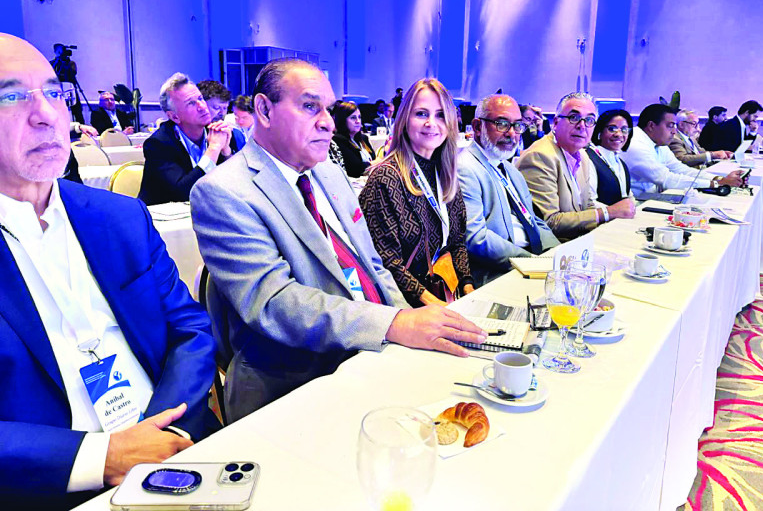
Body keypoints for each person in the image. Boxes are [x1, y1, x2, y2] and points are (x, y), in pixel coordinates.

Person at [190, 59, 486, 420]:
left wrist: (405, 324)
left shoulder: (329, 174)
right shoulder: (223, 192)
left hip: (376, 352)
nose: (328, 122)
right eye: (310, 106)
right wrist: (392, 325)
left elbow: (374, 266)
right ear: (264, 110)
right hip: (298, 383)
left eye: (328, 109)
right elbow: (274, 303)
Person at [0, 33, 218, 509]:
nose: (47, 114)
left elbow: (192, 330)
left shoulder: (119, 217)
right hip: (54, 487)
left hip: (180, 451)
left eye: (54, 92)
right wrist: (102, 457)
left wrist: (163, 432)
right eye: (12, 96)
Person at [360, 77, 476, 306]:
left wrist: (469, 290)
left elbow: (457, 243)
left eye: (441, 114)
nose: (431, 123)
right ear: (405, 120)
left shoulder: (446, 175)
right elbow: (388, 263)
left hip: (445, 293)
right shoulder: (385, 179)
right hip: (404, 305)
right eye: (421, 114)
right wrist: (438, 307)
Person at [457, 94, 559, 286]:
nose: (512, 133)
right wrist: (532, 263)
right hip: (497, 273)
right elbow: (476, 239)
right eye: (502, 124)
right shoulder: (465, 168)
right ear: (478, 127)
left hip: (533, 263)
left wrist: (558, 254)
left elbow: (533, 220)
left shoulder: (509, 168)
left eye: (517, 125)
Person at [517, 92, 635, 240]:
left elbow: (587, 206)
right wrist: (608, 212)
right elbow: (549, 223)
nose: (582, 126)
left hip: (579, 242)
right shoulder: (540, 156)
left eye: (590, 120)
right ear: (556, 122)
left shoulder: (582, 155)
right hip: (553, 249)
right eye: (574, 118)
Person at [139, 72, 243, 205]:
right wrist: (213, 150)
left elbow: (239, 185)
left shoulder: (220, 132)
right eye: (191, 103)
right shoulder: (159, 144)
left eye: (200, 98)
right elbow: (183, 193)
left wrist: (226, 153)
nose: (202, 106)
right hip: (165, 220)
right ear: (174, 116)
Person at [620, 103, 743, 198]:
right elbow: (666, 179)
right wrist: (717, 184)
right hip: (637, 202)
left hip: (650, 196)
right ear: (651, 126)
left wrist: (718, 179)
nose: (674, 131)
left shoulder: (657, 142)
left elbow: (680, 169)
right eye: (670, 126)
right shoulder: (635, 144)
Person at [586, 109, 635, 206]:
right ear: (600, 131)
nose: (619, 134)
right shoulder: (589, 159)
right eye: (612, 129)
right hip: (600, 220)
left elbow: (628, 197)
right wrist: (616, 212)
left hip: (621, 219)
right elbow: (589, 203)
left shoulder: (620, 162)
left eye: (624, 130)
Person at [332, 101, 376, 178]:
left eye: (359, 117)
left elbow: (373, 158)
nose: (358, 121)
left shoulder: (363, 138)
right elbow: (356, 169)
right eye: (353, 118)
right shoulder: (338, 140)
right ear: (343, 120)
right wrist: (376, 163)